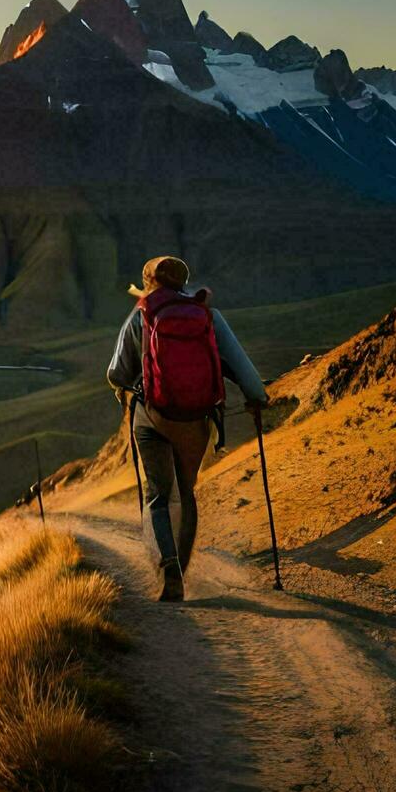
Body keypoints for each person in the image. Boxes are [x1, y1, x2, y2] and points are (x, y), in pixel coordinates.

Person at [107, 256, 268, 601]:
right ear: (183, 281)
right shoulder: (206, 314)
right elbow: (243, 369)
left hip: (152, 416)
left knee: (158, 495)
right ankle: (181, 564)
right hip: (195, 420)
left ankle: (170, 571)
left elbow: (117, 373)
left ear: (149, 281)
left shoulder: (141, 314)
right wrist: (255, 398)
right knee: (187, 491)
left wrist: (130, 389)